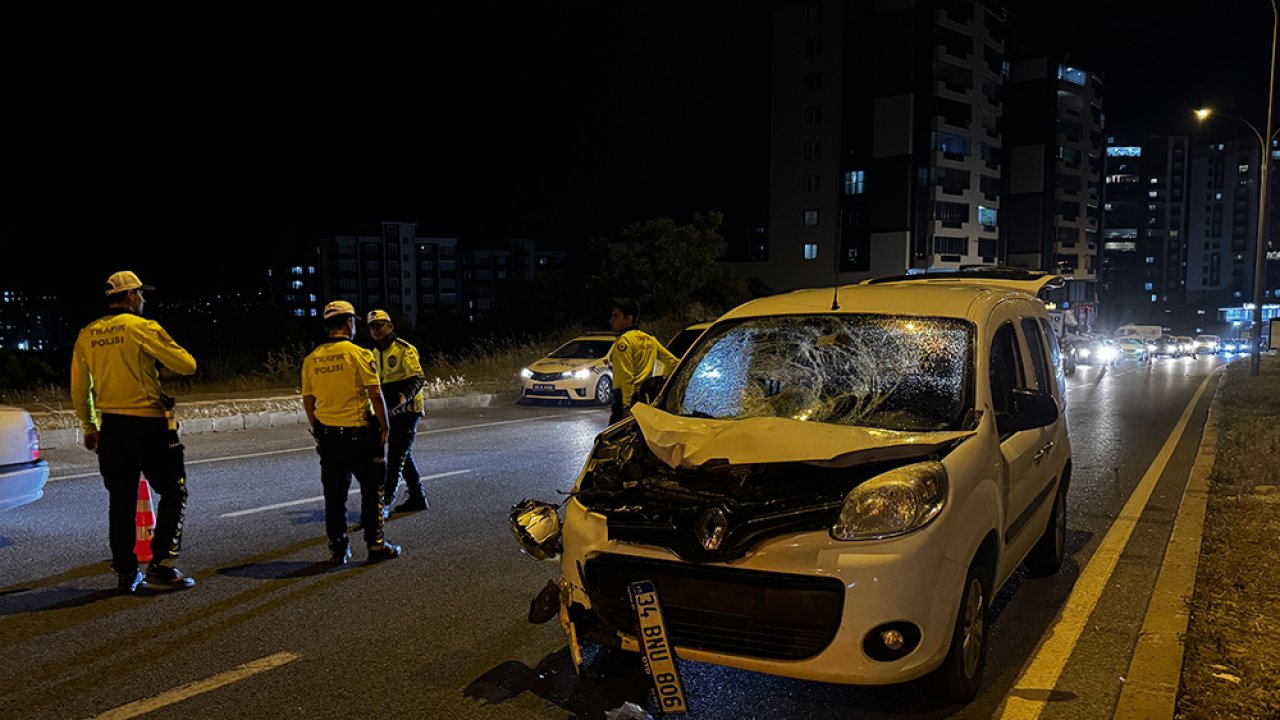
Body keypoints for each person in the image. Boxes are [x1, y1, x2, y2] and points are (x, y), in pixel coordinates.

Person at [70, 270, 199, 595]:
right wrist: (158, 367)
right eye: (141, 295)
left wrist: (89, 426)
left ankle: (127, 571)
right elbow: (187, 365)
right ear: (130, 296)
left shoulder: (88, 334)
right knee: (174, 490)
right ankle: (162, 565)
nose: (143, 300)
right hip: (149, 424)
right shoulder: (143, 329)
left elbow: (79, 386)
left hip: (112, 427)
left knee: (121, 500)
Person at [301, 300, 401, 565]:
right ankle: (376, 545)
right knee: (373, 491)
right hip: (360, 436)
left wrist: (317, 431)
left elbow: (308, 402)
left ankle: (338, 548)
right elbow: (375, 394)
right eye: (354, 321)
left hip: (330, 437)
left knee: (334, 497)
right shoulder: (360, 354)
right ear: (348, 323)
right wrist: (385, 425)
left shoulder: (311, 359)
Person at [366, 309, 429, 515]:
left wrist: (404, 397)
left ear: (390, 326)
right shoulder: (372, 354)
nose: (376, 330)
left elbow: (418, 378)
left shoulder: (404, 350)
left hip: (408, 410)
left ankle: (384, 503)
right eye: (372, 327)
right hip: (388, 409)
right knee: (403, 452)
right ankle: (417, 497)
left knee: (395, 455)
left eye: (380, 325)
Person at [606, 297, 679, 424]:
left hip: (626, 399)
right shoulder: (650, 339)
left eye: (616, 316)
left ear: (629, 319)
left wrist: (626, 406)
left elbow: (627, 376)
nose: (611, 320)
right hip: (645, 399)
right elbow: (673, 362)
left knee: (612, 440)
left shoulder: (624, 342)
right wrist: (661, 386)